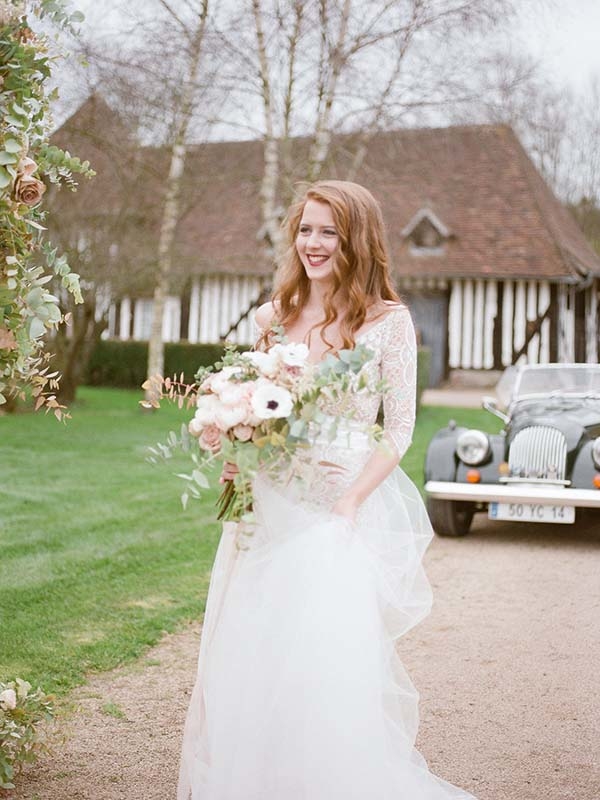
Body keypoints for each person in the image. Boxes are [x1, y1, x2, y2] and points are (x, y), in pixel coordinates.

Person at [178, 180, 478, 800]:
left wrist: (351, 501)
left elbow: (399, 428)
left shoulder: (389, 324)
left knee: (320, 659)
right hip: (268, 504)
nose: (313, 243)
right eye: (305, 229)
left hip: (334, 511)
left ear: (356, 240)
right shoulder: (273, 316)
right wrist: (237, 450)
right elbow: (259, 404)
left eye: (329, 232)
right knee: (251, 646)